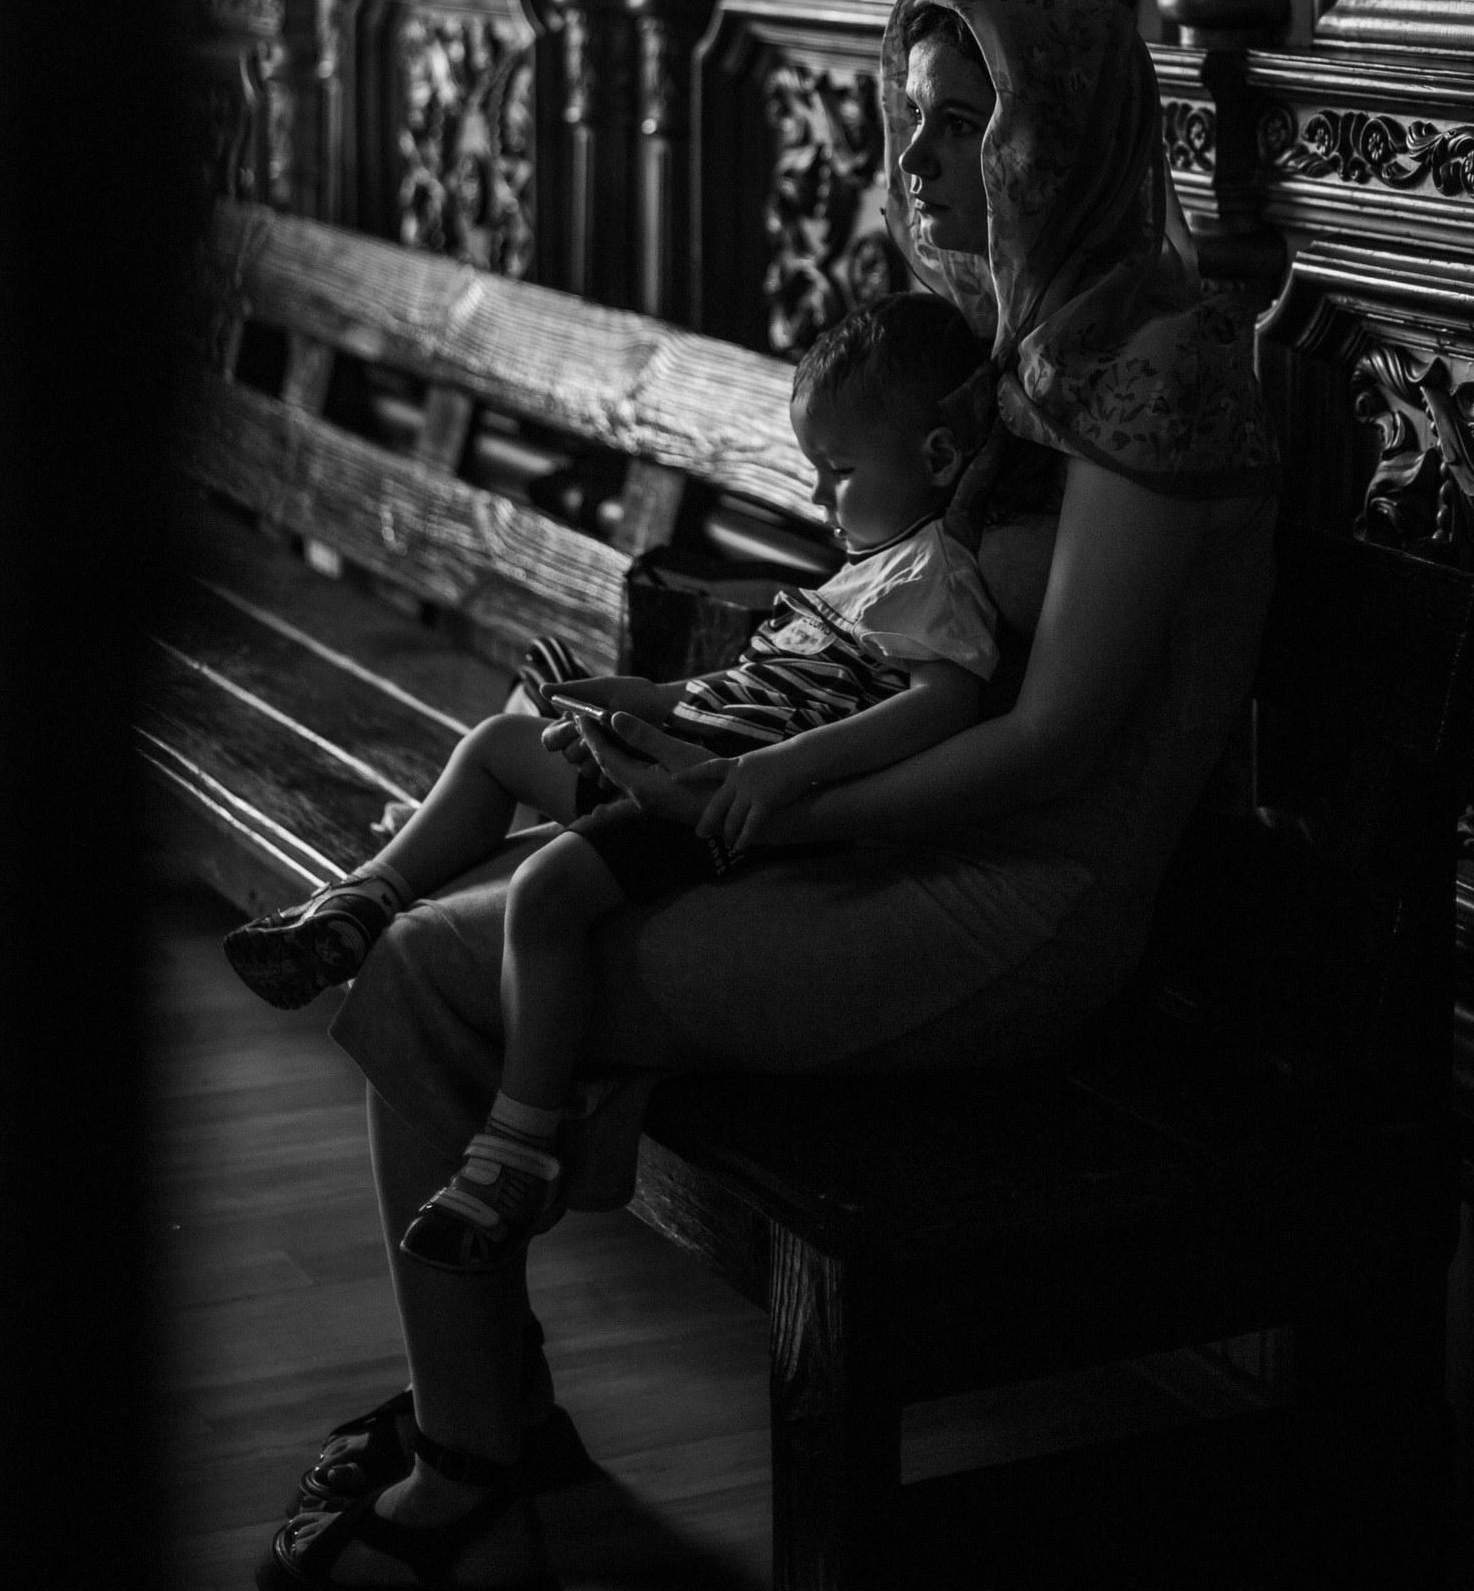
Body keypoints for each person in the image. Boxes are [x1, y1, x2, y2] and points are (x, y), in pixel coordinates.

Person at [256, 0, 1279, 1591]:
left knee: (442, 964)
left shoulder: (1162, 358)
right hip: (894, 830)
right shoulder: (1023, 339)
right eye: (915, 119)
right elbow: (889, 620)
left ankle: (477, 1469)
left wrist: (762, 803)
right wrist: (699, 740)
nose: (919, 160)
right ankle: (482, 1419)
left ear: (1066, 136)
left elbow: (1057, 745)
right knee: (465, 924)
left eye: (969, 123)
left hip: (1014, 899)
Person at [222, 290, 1000, 1273]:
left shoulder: (935, 577)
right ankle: (361, 904)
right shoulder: (865, 569)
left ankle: (519, 1147)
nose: (817, 497)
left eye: (837, 473)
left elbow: (946, 704)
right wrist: (640, 696)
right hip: (675, 755)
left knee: (545, 894)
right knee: (500, 745)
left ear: (938, 456)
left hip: (715, 803)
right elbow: (742, 689)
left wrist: (785, 767)